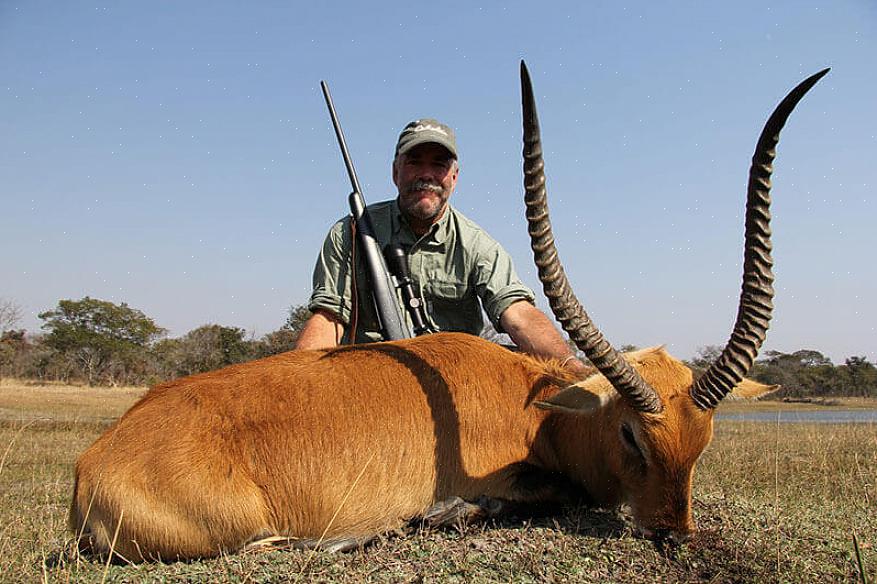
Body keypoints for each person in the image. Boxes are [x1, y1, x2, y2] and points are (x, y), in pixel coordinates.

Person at [295, 118, 587, 375]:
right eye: (414, 162)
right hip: (369, 381)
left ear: (454, 178)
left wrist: (573, 368)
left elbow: (518, 315)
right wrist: (296, 382)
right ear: (395, 172)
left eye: (439, 164)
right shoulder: (350, 232)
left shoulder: (479, 246)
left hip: (452, 383)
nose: (427, 174)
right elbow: (328, 318)